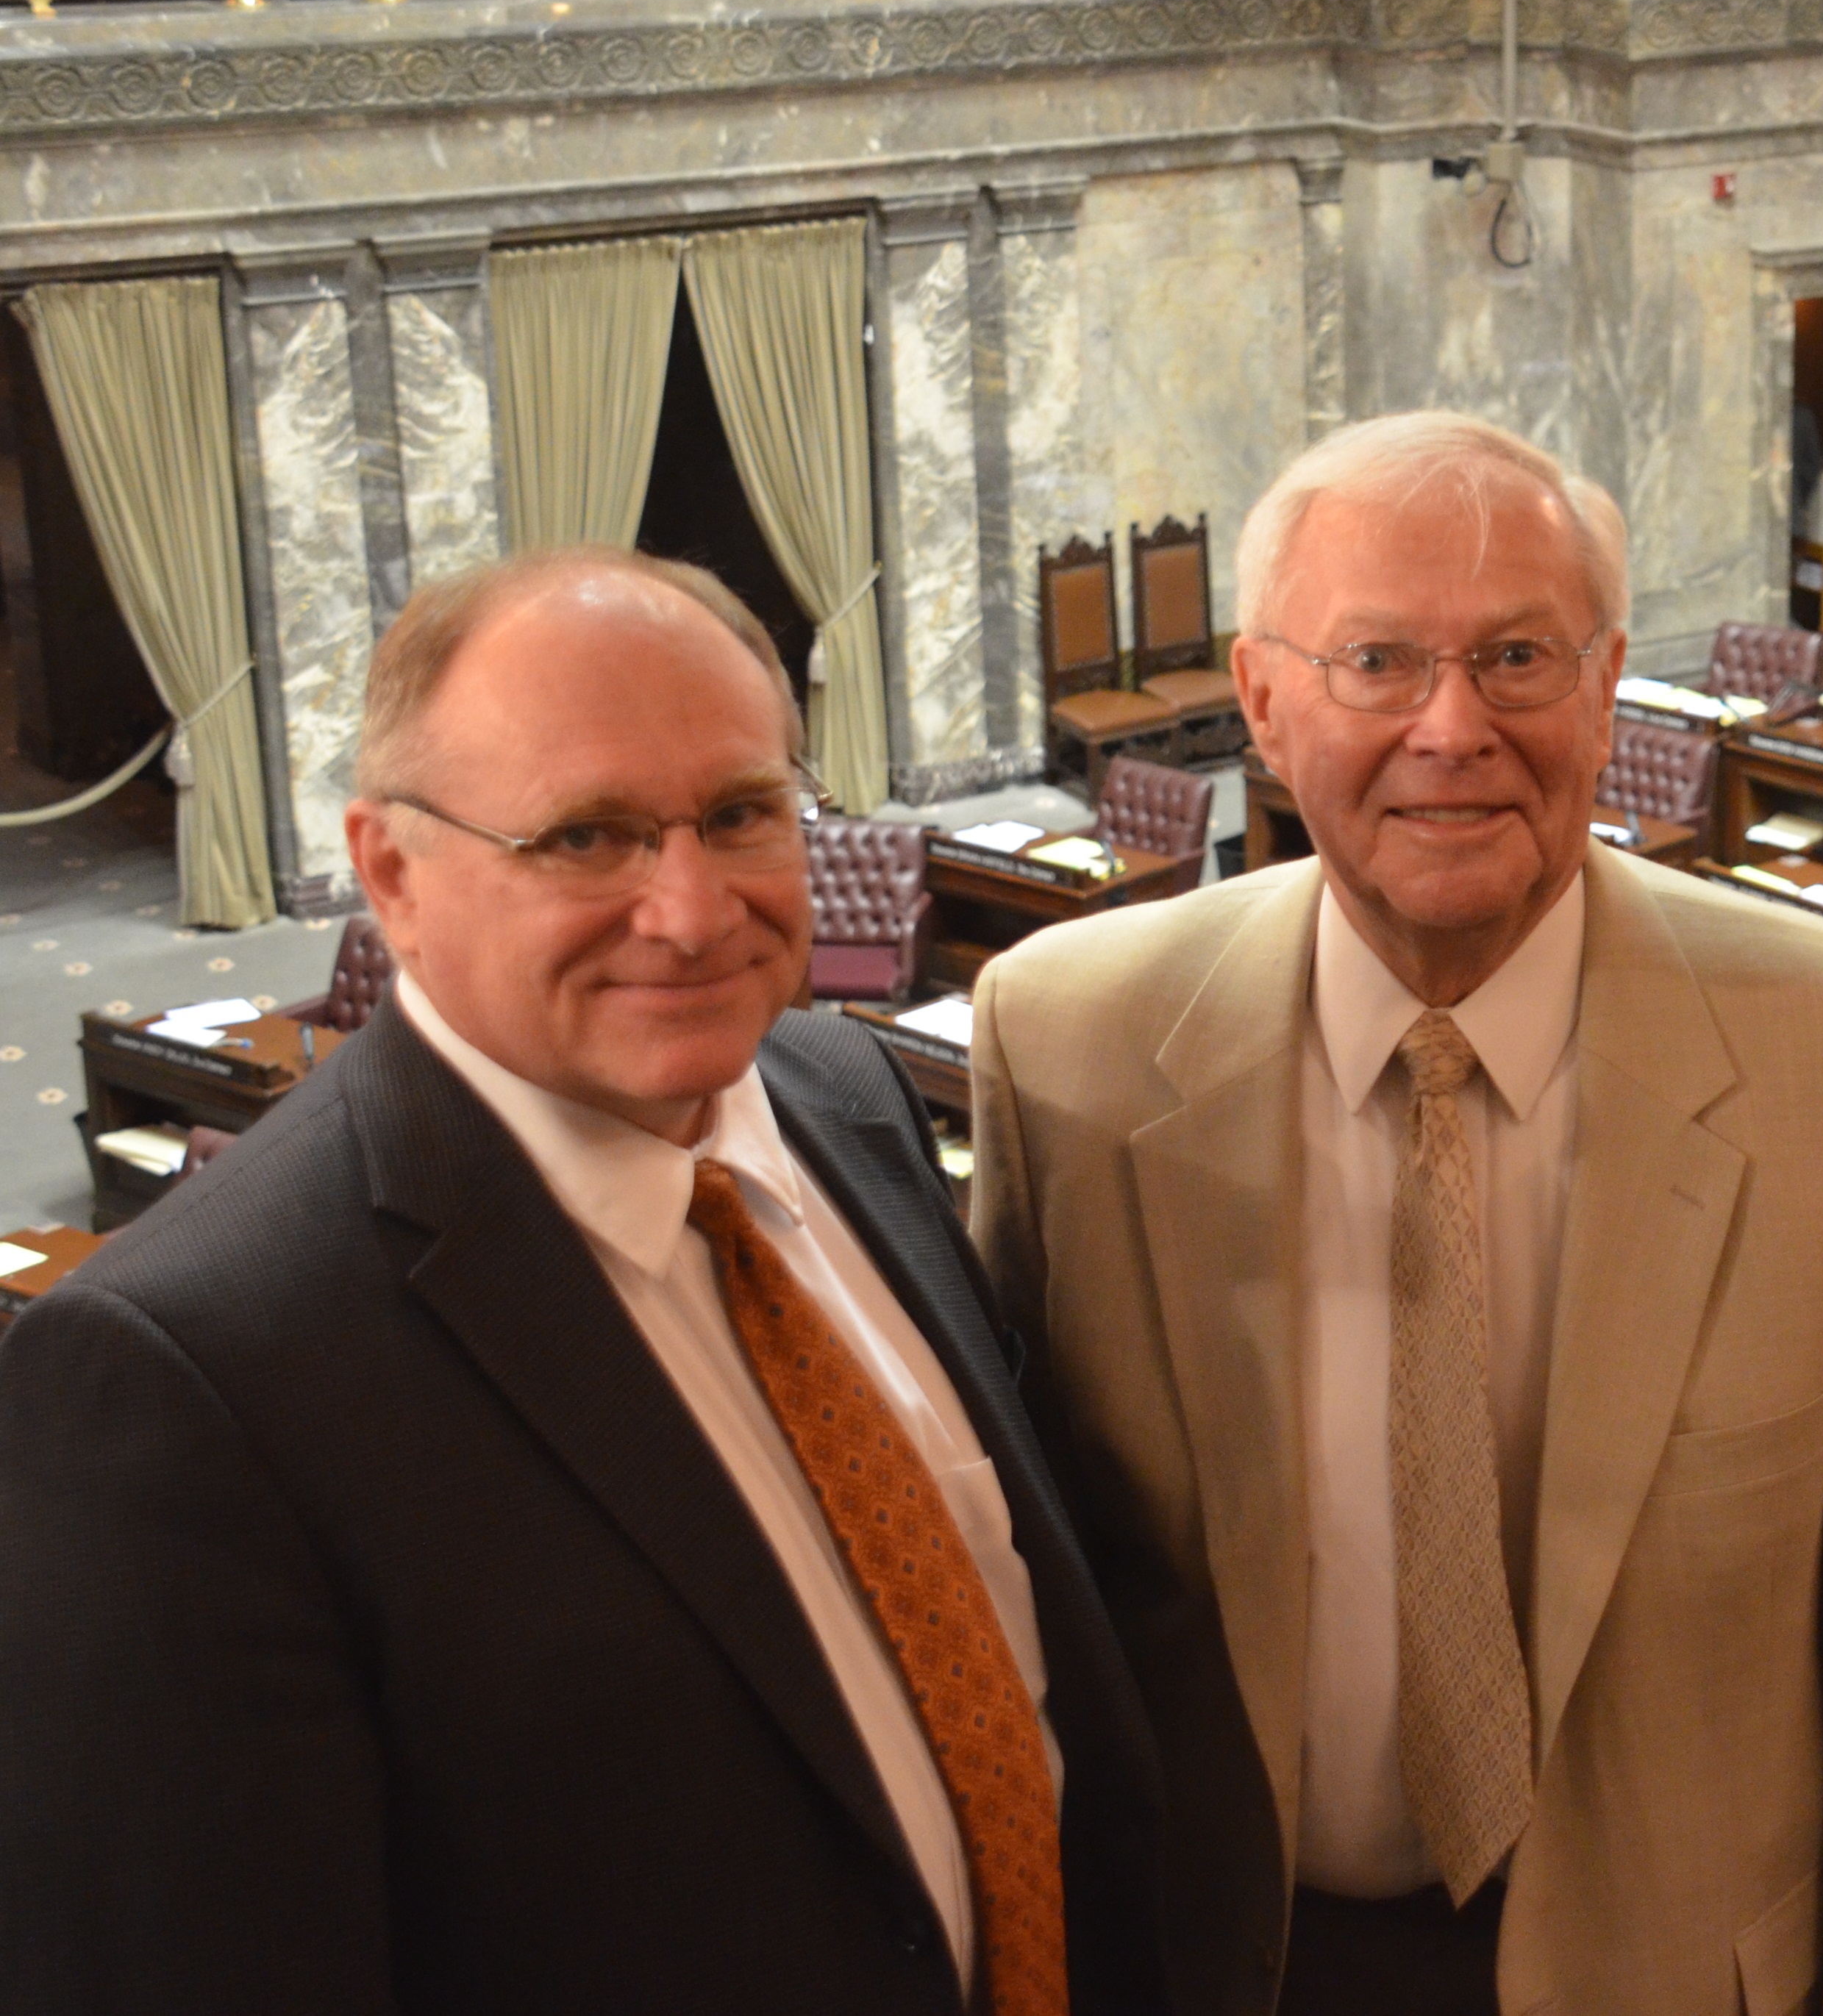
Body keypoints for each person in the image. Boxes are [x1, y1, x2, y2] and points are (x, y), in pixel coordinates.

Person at [0, 550, 1163, 2016]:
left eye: (741, 814)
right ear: (393, 874)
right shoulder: (184, 1380)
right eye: (585, 839)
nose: (687, 912)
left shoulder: (840, 1090)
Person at [969, 411, 1823, 2016]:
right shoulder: (1065, 1048)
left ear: (1607, 685)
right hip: (1227, 1969)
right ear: (1261, 700)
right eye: (1377, 661)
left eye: (1518, 657)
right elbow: (1022, 1603)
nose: (1451, 729)